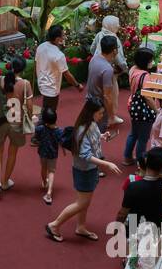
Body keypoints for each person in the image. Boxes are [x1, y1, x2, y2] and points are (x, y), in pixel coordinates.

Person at [45, 96, 120, 243]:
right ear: (91, 112)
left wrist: (102, 136)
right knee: (82, 203)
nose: (101, 116)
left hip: (90, 170)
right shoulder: (82, 129)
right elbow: (85, 155)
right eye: (99, 113)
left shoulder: (91, 124)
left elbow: (93, 139)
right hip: (84, 171)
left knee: (84, 201)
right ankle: (54, 225)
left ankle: (81, 226)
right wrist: (107, 164)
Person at [0, 56, 33, 199]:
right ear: (23, 69)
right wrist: (30, 119)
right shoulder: (25, 84)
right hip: (16, 123)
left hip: (0, 121)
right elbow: (30, 107)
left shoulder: (0, 80)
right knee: (12, 152)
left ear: (11, 66)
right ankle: (6, 181)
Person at [117, 146, 162, 230]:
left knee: (133, 242)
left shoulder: (133, 186)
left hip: (134, 225)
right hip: (156, 226)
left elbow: (122, 213)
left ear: (146, 162)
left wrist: (117, 228)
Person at [123, 47, 158, 166]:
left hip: (133, 104)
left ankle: (127, 157)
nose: (152, 62)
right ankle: (141, 163)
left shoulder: (133, 69)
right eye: (150, 60)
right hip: (143, 110)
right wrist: (156, 110)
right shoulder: (145, 76)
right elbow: (147, 97)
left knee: (133, 133)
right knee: (143, 138)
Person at [34, 24, 76, 117]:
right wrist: (77, 85)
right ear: (57, 39)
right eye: (63, 35)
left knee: (46, 109)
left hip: (42, 83)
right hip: (51, 88)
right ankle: (43, 129)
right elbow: (67, 75)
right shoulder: (58, 55)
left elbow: (35, 63)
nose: (64, 37)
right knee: (50, 114)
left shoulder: (41, 47)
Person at [85, 35, 121, 132]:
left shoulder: (94, 58)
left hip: (89, 101)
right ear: (114, 50)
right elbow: (107, 96)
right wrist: (111, 116)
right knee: (97, 134)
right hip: (99, 107)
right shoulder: (107, 69)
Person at [32, 107, 67, 205]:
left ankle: (44, 182)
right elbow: (62, 141)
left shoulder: (41, 128)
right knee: (51, 171)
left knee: (43, 168)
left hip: (43, 153)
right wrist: (64, 150)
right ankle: (49, 192)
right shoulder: (59, 131)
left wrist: (35, 122)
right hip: (53, 154)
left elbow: (36, 135)